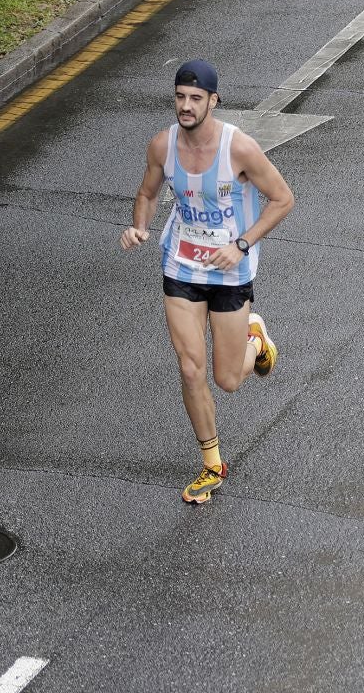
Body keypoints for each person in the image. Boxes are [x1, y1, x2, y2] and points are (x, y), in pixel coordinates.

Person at [120, 59, 295, 504]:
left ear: (213, 102)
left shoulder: (240, 149)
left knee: (229, 380)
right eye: (180, 97)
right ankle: (212, 463)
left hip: (230, 272)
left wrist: (241, 243)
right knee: (189, 367)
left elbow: (282, 199)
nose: (186, 105)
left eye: (196, 98)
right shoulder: (162, 146)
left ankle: (256, 339)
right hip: (181, 265)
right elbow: (147, 193)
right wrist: (140, 226)